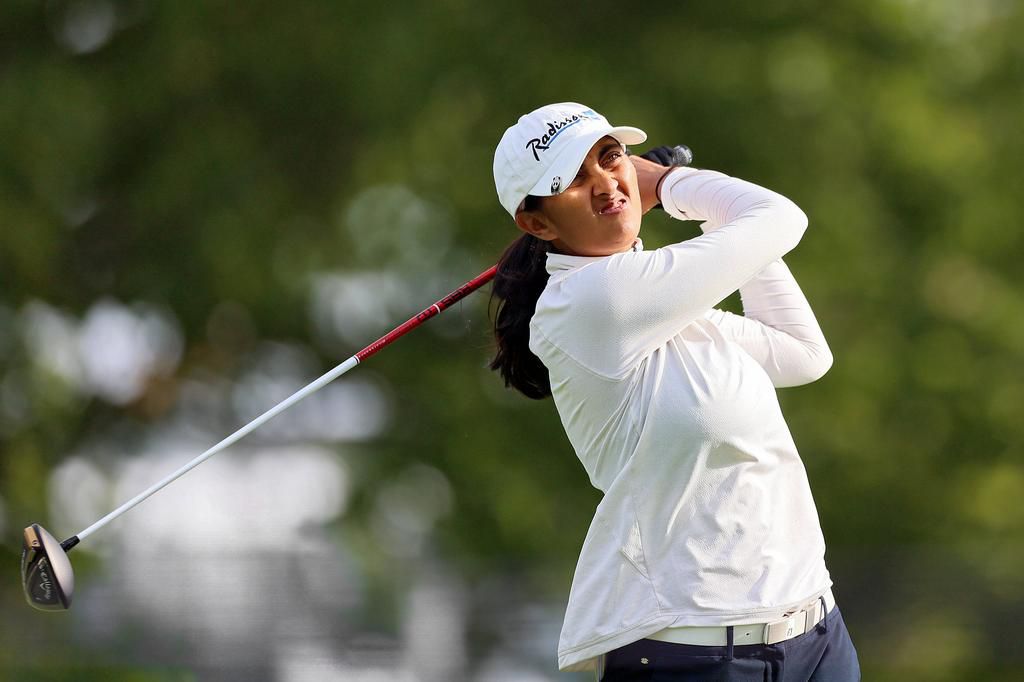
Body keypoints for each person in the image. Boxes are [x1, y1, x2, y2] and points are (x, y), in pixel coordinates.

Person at [489, 102, 861, 681]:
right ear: (537, 224)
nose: (606, 184)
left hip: (816, 634)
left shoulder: (672, 310)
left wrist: (715, 225)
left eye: (609, 159)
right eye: (572, 180)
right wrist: (671, 184)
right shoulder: (591, 305)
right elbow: (779, 217)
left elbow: (804, 353)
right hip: (698, 658)